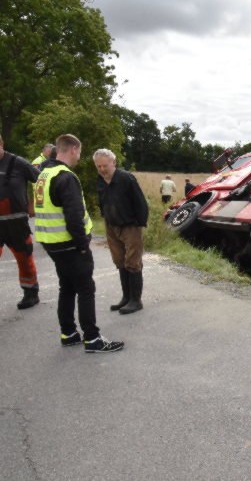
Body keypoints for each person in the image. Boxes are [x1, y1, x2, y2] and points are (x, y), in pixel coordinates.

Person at [35, 134, 123, 352]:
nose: (79, 157)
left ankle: (69, 333)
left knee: (66, 287)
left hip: (51, 242)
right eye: (80, 152)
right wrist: (83, 245)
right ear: (73, 149)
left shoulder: (44, 173)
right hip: (70, 244)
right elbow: (73, 216)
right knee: (85, 288)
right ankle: (92, 339)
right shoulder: (65, 177)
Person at [93, 148, 148, 314]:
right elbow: (102, 202)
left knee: (132, 262)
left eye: (105, 165)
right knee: (119, 261)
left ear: (113, 163)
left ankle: (135, 300)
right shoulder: (100, 180)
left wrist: (139, 224)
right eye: (98, 166)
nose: (102, 169)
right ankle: (126, 298)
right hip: (111, 226)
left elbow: (140, 202)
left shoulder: (126, 178)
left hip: (130, 225)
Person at [0, 134, 40, 309]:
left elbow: (42, 182)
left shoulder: (18, 163)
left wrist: (32, 203)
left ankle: (31, 294)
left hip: (16, 223)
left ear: (2, 143)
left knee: (24, 259)